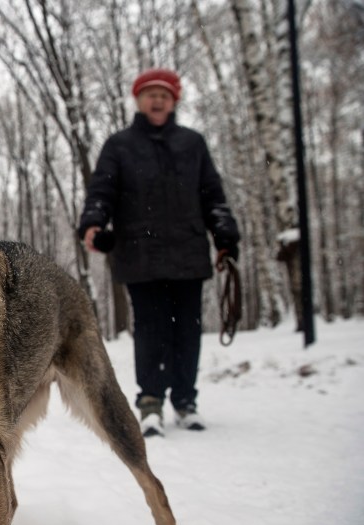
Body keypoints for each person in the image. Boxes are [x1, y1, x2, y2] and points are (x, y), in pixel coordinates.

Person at [78, 68, 240, 437]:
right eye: (150, 94)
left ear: (174, 101)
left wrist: (225, 233)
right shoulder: (119, 145)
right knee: (150, 331)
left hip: (188, 252)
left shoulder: (192, 144)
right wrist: (93, 223)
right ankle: (150, 402)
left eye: (164, 95)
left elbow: (213, 196)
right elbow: (101, 191)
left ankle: (185, 401)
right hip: (140, 255)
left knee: (187, 331)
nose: (157, 100)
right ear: (138, 99)